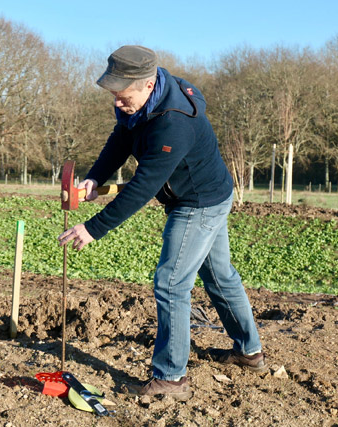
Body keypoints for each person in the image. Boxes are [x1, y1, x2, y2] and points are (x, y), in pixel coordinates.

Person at [58, 45, 266, 401]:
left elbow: (143, 187)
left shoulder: (174, 121)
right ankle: (249, 353)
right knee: (220, 276)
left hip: (199, 202)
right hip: (204, 194)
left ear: (148, 84)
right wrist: (96, 177)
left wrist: (93, 228)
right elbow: (121, 137)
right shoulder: (140, 102)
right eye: (114, 96)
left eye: (123, 96)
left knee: (171, 282)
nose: (118, 103)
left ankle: (171, 378)